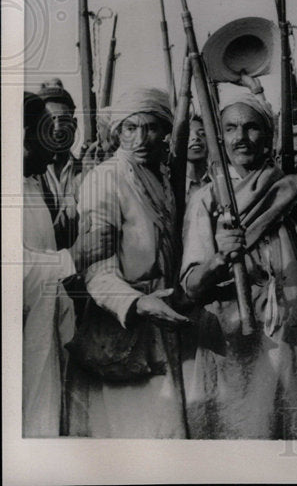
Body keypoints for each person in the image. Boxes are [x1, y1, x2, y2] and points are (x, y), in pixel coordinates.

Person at [181, 94, 297, 440]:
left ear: (268, 137)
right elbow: (192, 286)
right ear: (220, 137)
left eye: (251, 127)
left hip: (294, 338)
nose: (241, 137)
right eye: (231, 128)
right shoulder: (206, 201)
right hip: (236, 342)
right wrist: (218, 259)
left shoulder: (292, 193)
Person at [65, 88, 189, 438]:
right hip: (120, 325)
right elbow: (97, 268)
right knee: (127, 433)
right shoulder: (105, 178)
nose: (140, 138)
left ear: (164, 130)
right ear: (117, 131)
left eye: (150, 127)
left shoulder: (162, 176)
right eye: (130, 128)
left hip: (162, 319)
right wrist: (136, 302)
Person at [22, 92, 76, 437]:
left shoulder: (29, 184)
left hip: (41, 336)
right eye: (43, 131)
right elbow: (15, 270)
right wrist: (75, 257)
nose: (54, 144)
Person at [37, 79, 84, 249]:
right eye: (50, 120)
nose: (57, 128)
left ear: (74, 124)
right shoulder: (28, 176)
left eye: (63, 120)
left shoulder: (87, 172)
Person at [185, 115, 209, 201]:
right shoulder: (169, 185)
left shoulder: (221, 180)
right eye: (187, 134)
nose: (195, 138)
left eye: (202, 134)